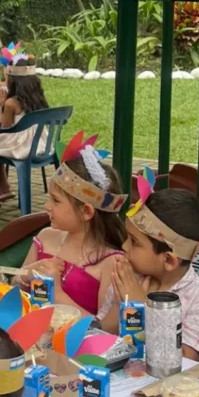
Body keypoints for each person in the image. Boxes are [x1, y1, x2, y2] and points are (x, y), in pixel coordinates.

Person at [19, 134, 127, 324]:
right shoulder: (46, 238)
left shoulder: (111, 263)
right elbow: (15, 291)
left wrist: (57, 293)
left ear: (86, 211)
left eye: (56, 200)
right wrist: (27, 275)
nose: (46, 206)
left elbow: (104, 329)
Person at [111, 187, 199, 361]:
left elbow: (186, 361)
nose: (124, 246)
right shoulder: (133, 277)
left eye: (134, 242)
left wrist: (141, 309)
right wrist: (121, 306)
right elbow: (104, 332)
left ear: (169, 260)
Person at [0, 63, 49, 203]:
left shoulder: (11, 103)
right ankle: (3, 186)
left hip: (22, 146)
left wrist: (3, 106)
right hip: (42, 143)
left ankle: (4, 185)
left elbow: (5, 127)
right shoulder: (39, 99)